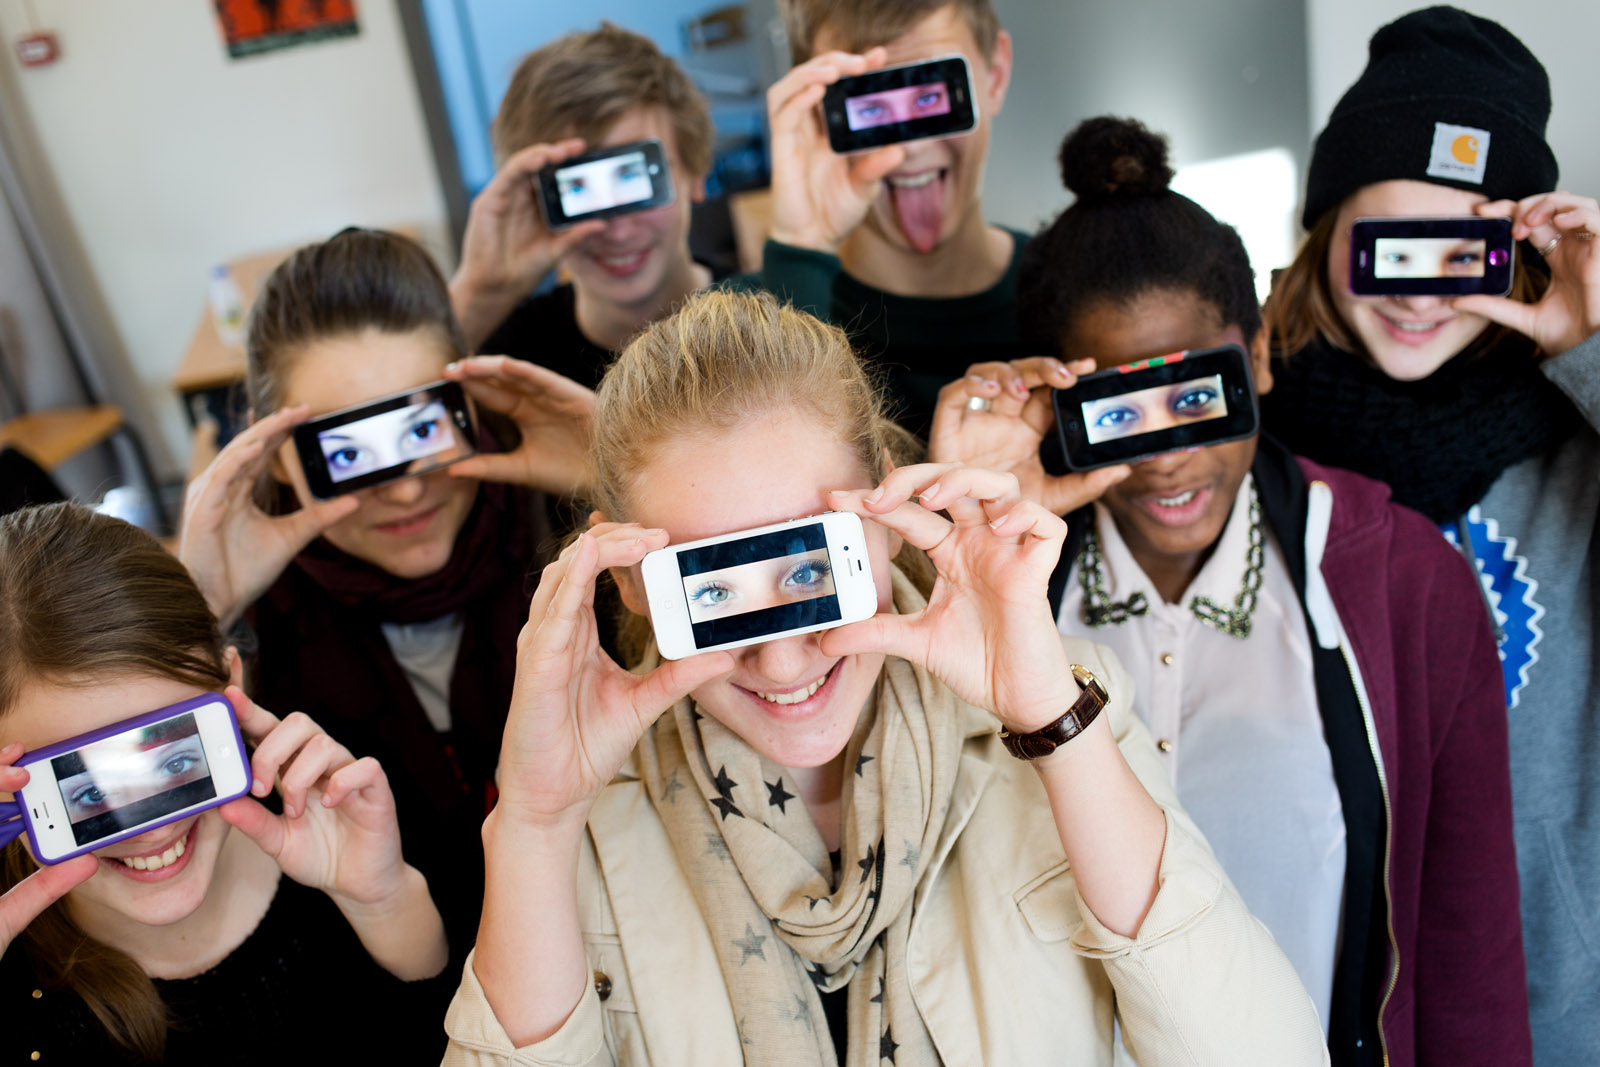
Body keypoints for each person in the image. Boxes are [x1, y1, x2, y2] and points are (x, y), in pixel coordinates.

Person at [439, 289, 1327, 1064]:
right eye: (713, 590)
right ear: (627, 575)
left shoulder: (1065, 708)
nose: (784, 660)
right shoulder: (578, 813)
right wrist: (537, 822)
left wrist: (1051, 717)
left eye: (811, 571)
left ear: (891, 516)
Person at [928, 116, 1530, 1066]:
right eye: (1119, 411)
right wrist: (967, 537)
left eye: (1199, 393)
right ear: (1059, 406)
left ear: (1254, 359)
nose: (1171, 457)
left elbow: (1469, 958)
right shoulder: (997, 599)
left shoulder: (1404, 581)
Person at [1256, 10, 1600, 1061]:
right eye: (1393, 246)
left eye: (1466, 254)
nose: (1418, 293)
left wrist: (1594, 345)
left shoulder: (1576, 451)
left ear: (1520, 256)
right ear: (1325, 235)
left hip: (1565, 1001)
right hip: (1316, 994)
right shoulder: (1255, 451)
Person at [177, 228, 591, 933]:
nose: (404, 494)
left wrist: (626, 477)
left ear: (468, 403)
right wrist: (197, 611)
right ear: (276, 455)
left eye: (421, 429)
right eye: (351, 450)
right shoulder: (239, 635)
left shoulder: (579, 532)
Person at [0, 502, 450, 1064]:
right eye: (86, 791)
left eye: (170, 760)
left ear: (231, 687)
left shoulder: (352, 791)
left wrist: (384, 903)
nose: (150, 831)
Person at [738, 0, 1026, 438]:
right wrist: (800, 247)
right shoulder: (733, 328)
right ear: (816, 109)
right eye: (870, 107)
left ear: (996, 73)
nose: (908, 149)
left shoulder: (1089, 291)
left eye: (929, 96)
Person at [449, 22, 717, 388]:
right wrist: (478, 294)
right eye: (577, 187)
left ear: (695, 171)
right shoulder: (506, 363)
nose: (617, 229)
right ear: (536, 201)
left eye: (630, 177)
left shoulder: (775, 310)